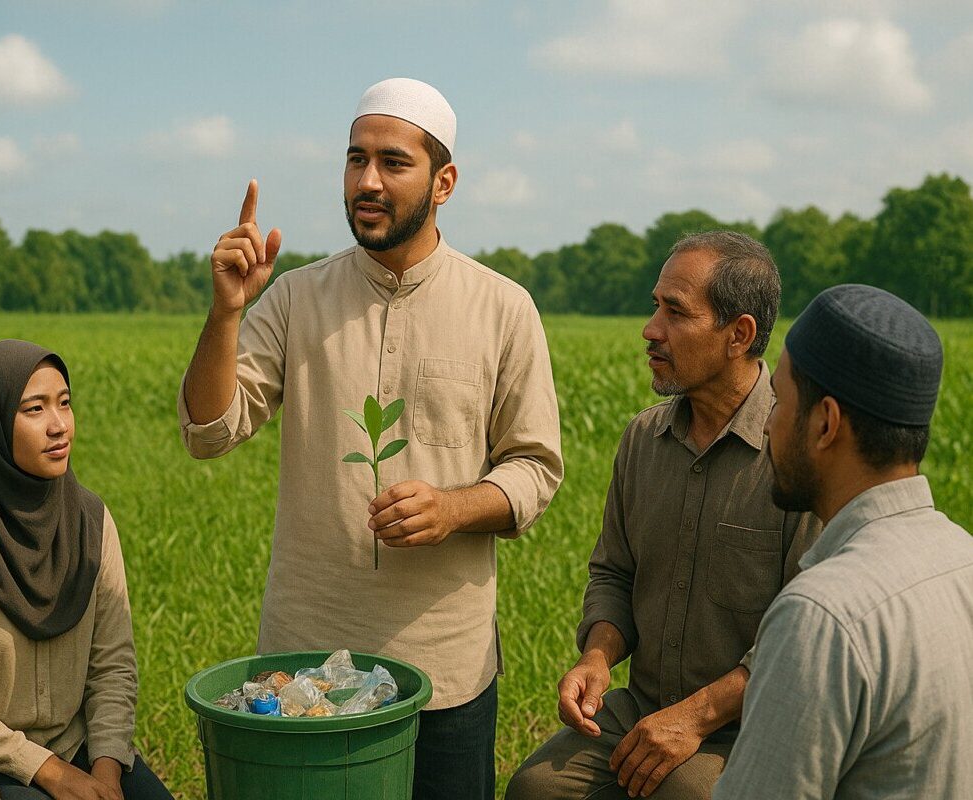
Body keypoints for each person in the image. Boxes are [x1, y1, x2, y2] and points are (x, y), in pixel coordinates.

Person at [178, 77, 563, 799]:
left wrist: (454, 507)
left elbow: (535, 469)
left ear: (444, 181)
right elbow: (208, 432)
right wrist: (226, 314)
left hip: (446, 666)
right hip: (305, 670)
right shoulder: (295, 299)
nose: (368, 181)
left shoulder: (504, 308)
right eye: (356, 160)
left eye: (393, 162)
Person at [507, 231, 822, 800]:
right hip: (643, 709)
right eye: (656, 306)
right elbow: (614, 574)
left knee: (686, 793)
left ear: (739, 335)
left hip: (750, 728)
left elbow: (802, 638)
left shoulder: (796, 458)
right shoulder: (642, 440)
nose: (651, 329)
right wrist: (597, 659)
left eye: (675, 312)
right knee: (536, 788)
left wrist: (696, 719)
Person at [713, 284, 973, 799]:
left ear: (826, 423)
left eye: (780, 402)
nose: (766, 425)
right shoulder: (962, 558)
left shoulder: (821, 615)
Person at [0, 340, 173, 800]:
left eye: (65, 404)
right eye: (34, 409)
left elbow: (112, 664)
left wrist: (108, 770)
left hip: (80, 749)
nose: (59, 427)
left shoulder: (90, 520)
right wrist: (51, 773)